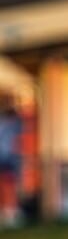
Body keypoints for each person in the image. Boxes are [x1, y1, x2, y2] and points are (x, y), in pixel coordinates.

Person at [0, 96, 20, 228]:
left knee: (8, 185)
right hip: (7, 158)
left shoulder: (13, 123)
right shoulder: (14, 123)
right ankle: (8, 212)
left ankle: (9, 212)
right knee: (7, 185)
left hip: (7, 158)